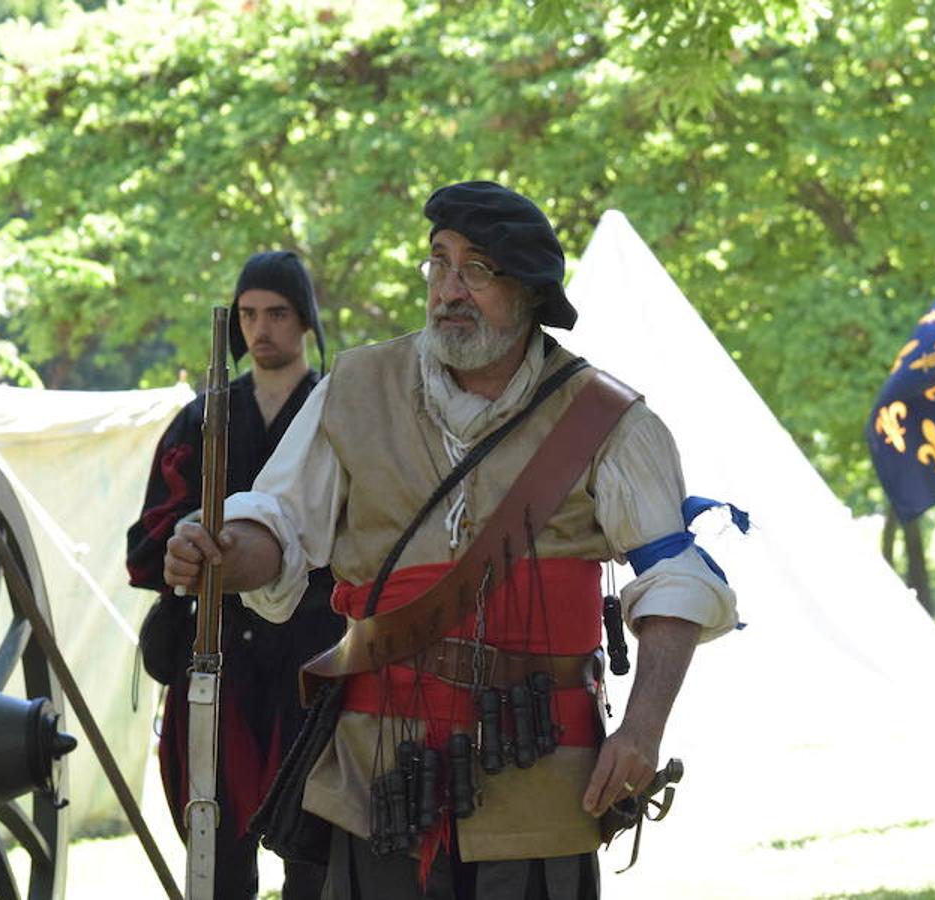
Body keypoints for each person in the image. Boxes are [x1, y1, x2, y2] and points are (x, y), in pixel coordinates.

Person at [162, 181, 739, 899]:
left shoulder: (607, 419)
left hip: (540, 764)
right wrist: (221, 551)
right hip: (379, 767)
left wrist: (643, 731)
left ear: (528, 292)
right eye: (439, 263)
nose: (450, 289)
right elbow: (278, 525)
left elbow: (675, 582)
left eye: (478, 269)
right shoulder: (355, 386)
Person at [128, 250, 345, 900]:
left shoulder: (339, 414)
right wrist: (190, 542)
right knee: (218, 853)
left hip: (317, 659)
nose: (261, 329)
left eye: (277, 313)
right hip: (217, 661)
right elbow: (149, 543)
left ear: (304, 320)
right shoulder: (200, 421)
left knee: (316, 858)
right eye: (249, 314)